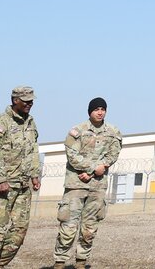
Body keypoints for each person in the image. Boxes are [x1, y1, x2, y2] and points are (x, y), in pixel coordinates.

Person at [52, 96, 122, 269]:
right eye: (96, 109)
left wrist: (98, 169)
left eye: (103, 109)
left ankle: (81, 263)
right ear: (90, 111)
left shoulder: (113, 132)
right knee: (68, 227)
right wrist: (91, 169)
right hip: (76, 185)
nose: (100, 112)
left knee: (89, 229)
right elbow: (72, 155)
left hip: (97, 187)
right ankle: (59, 263)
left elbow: (113, 154)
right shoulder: (77, 131)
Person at [0, 85, 40, 269]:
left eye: (31, 101)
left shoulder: (30, 123)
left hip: (22, 187)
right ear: (15, 100)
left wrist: (35, 175)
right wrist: (0, 179)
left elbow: (33, 151)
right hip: (3, 188)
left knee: (18, 234)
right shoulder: (1, 122)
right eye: (26, 101)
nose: (30, 104)